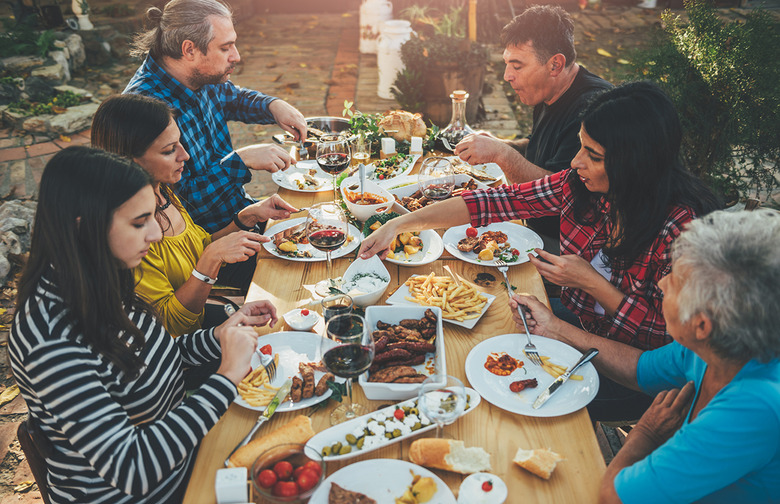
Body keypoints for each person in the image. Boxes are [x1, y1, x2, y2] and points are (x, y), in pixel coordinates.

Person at [359, 81, 721, 420]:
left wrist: (589, 285)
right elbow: (494, 201)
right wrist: (398, 224)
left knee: (499, 399)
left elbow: (661, 342)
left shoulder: (683, 232)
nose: (576, 161)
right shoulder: (580, 184)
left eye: (592, 155)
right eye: (580, 145)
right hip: (579, 320)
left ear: (634, 164)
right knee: (466, 348)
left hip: (631, 371)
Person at [8, 146, 278, 503]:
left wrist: (220, 336)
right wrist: (226, 377)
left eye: (152, 216)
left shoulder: (104, 277)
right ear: (83, 227)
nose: (154, 234)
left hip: (183, 462)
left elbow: (150, 355)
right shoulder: (51, 342)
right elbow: (132, 467)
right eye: (139, 223)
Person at [515, 209, 780, 503]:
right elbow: (640, 368)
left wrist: (646, 434)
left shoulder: (751, 409)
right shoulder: (713, 345)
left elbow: (613, 496)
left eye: (676, 282)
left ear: (703, 324)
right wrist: (555, 328)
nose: (662, 285)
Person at [91, 94, 296, 337]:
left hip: (201, 319)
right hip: (182, 346)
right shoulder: (131, 237)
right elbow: (171, 326)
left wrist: (247, 217)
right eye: (169, 150)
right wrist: (211, 259)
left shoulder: (163, 191)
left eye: (180, 143)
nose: (185, 155)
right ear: (130, 160)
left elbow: (198, 246)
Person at [123, 0, 307, 233]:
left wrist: (273, 105)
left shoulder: (201, 73)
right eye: (225, 48)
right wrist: (240, 160)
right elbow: (183, 204)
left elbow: (234, 98)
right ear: (189, 50)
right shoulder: (144, 109)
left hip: (243, 212)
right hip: (210, 239)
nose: (236, 56)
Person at [453, 5, 612, 247]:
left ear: (555, 65)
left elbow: (559, 194)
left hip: (567, 246)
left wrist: (501, 154)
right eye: (507, 64)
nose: (507, 75)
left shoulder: (592, 110)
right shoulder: (548, 90)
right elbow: (541, 147)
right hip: (532, 226)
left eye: (517, 66)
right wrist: (500, 144)